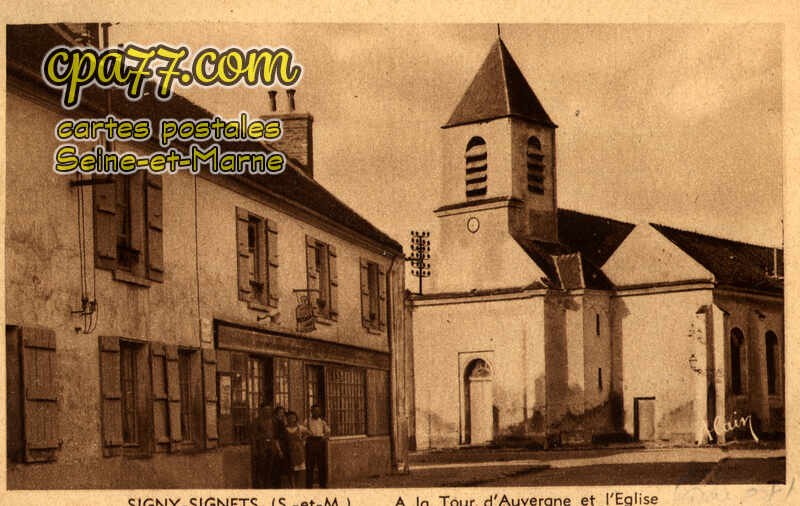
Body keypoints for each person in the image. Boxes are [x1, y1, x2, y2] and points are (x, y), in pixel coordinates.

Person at [251, 405, 278, 489]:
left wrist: (275, 446)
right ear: (262, 410)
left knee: (270, 466)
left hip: (271, 445)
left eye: (269, 410)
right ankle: (261, 485)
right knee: (261, 466)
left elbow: (275, 434)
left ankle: (268, 484)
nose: (267, 412)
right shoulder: (257, 421)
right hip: (261, 445)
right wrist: (255, 448)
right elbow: (253, 435)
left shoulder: (273, 421)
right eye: (265, 410)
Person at [305, 404, 330, 488]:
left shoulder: (322, 422)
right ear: (311, 411)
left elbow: (328, 431)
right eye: (314, 411)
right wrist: (308, 435)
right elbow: (304, 432)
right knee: (310, 465)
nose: (316, 413)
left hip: (320, 442)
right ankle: (309, 485)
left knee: (321, 464)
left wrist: (324, 437)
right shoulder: (307, 421)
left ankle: (322, 485)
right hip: (311, 442)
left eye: (318, 411)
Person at [284, 411, 310, 488]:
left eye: (293, 417)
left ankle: (297, 485)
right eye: (289, 417)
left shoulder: (300, 427)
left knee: (299, 469)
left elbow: (309, 433)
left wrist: (303, 439)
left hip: (299, 450)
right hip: (289, 450)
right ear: (287, 419)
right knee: (291, 469)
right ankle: (293, 486)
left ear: (295, 418)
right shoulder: (285, 429)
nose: (291, 419)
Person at [270, 406, 288, 488]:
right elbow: (275, 437)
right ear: (276, 413)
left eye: (283, 413)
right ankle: (276, 486)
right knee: (277, 467)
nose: (282, 414)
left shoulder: (281, 422)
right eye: (280, 412)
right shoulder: (276, 422)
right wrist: (279, 450)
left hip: (283, 445)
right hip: (278, 446)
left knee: (280, 468)